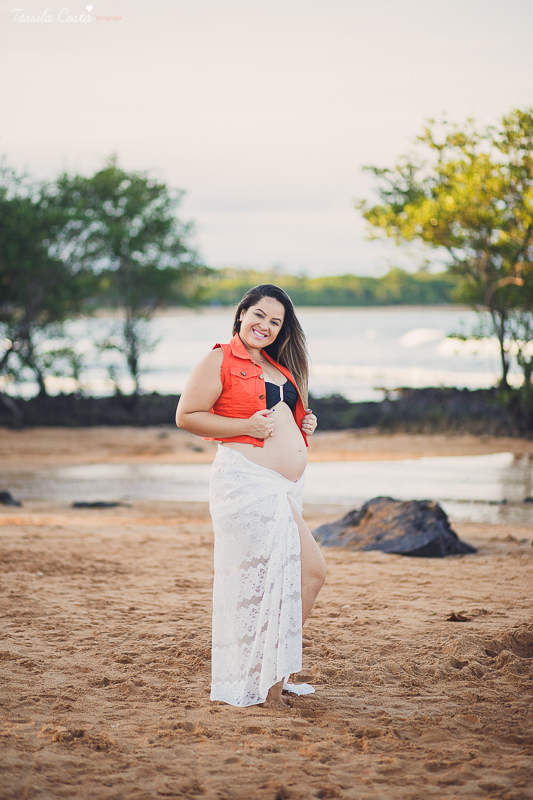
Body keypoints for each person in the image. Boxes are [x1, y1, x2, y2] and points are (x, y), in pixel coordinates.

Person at [175, 284, 326, 708]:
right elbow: (187, 416)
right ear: (242, 313)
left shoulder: (280, 366)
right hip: (246, 482)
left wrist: (303, 425)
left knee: (287, 580)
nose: (266, 325)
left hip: (284, 487)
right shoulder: (219, 358)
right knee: (310, 573)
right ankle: (268, 684)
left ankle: (271, 674)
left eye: (276, 322)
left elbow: (280, 418)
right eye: (259, 315)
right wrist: (245, 427)